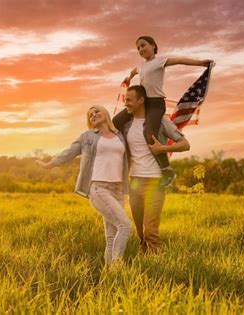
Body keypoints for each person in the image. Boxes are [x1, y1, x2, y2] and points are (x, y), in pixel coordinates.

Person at [36, 105, 132, 265]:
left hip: (118, 190)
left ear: (106, 113)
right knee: (125, 226)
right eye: (90, 115)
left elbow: (129, 110)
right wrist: (50, 164)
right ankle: (117, 269)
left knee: (111, 237)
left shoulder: (120, 135)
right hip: (99, 188)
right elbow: (69, 153)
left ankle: (109, 275)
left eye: (96, 111)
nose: (93, 115)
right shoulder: (87, 137)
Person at [120, 35, 212, 188]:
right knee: (116, 122)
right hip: (142, 103)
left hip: (156, 104)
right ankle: (125, 162)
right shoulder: (141, 66)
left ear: (153, 46)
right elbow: (133, 71)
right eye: (138, 48)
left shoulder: (160, 61)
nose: (141, 50)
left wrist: (200, 63)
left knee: (149, 134)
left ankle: (166, 170)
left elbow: (179, 60)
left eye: (143, 46)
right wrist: (128, 79)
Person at [113, 85, 190, 253]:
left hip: (155, 181)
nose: (126, 103)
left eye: (129, 100)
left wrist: (162, 149)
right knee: (140, 230)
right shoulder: (126, 124)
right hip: (134, 182)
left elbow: (185, 144)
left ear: (141, 100)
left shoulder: (159, 120)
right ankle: (144, 258)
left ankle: (156, 265)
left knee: (151, 229)